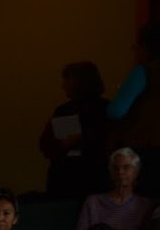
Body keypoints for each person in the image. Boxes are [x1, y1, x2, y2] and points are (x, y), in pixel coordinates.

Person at [107, 24, 160, 200]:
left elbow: (116, 111)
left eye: (136, 47)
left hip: (144, 145)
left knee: (140, 199)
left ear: (146, 47)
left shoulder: (144, 71)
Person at [37, 61, 110, 199]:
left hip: (86, 180)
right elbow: (48, 146)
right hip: (70, 181)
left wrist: (72, 141)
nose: (63, 85)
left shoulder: (71, 111)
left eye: (67, 79)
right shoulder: (67, 110)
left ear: (81, 81)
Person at [73, 147, 153, 230]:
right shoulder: (93, 202)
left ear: (136, 172)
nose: (120, 172)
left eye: (126, 167)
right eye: (115, 168)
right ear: (110, 172)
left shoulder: (144, 205)